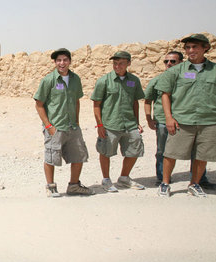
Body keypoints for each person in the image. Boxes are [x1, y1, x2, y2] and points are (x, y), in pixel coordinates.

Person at [156, 34, 216, 197]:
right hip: (183, 119)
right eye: (188, 47)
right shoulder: (176, 71)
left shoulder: (214, 71)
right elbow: (165, 94)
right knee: (171, 153)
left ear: (205, 48)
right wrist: (169, 117)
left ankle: (194, 184)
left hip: (209, 120)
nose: (191, 50)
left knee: (202, 154)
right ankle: (165, 183)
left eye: (195, 47)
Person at [34, 48, 94, 197]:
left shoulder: (75, 79)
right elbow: (39, 104)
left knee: (79, 155)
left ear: (70, 62)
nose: (62, 63)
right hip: (55, 126)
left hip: (72, 126)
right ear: (55, 63)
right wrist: (48, 125)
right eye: (59, 60)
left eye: (65, 60)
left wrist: (77, 122)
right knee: (51, 156)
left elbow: (77, 101)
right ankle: (50, 186)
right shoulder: (48, 80)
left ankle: (74, 186)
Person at [91, 51, 146, 192]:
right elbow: (96, 104)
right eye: (115, 63)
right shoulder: (104, 81)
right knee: (105, 152)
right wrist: (100, 125)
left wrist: (137, 122)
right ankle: (106, 180)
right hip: (110, 123)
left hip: (129, 123)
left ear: (129, 63)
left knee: (134, 150)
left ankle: (124, 178)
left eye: (121, 63)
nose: (117, 66)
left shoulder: (134, 80)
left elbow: (135, 102)